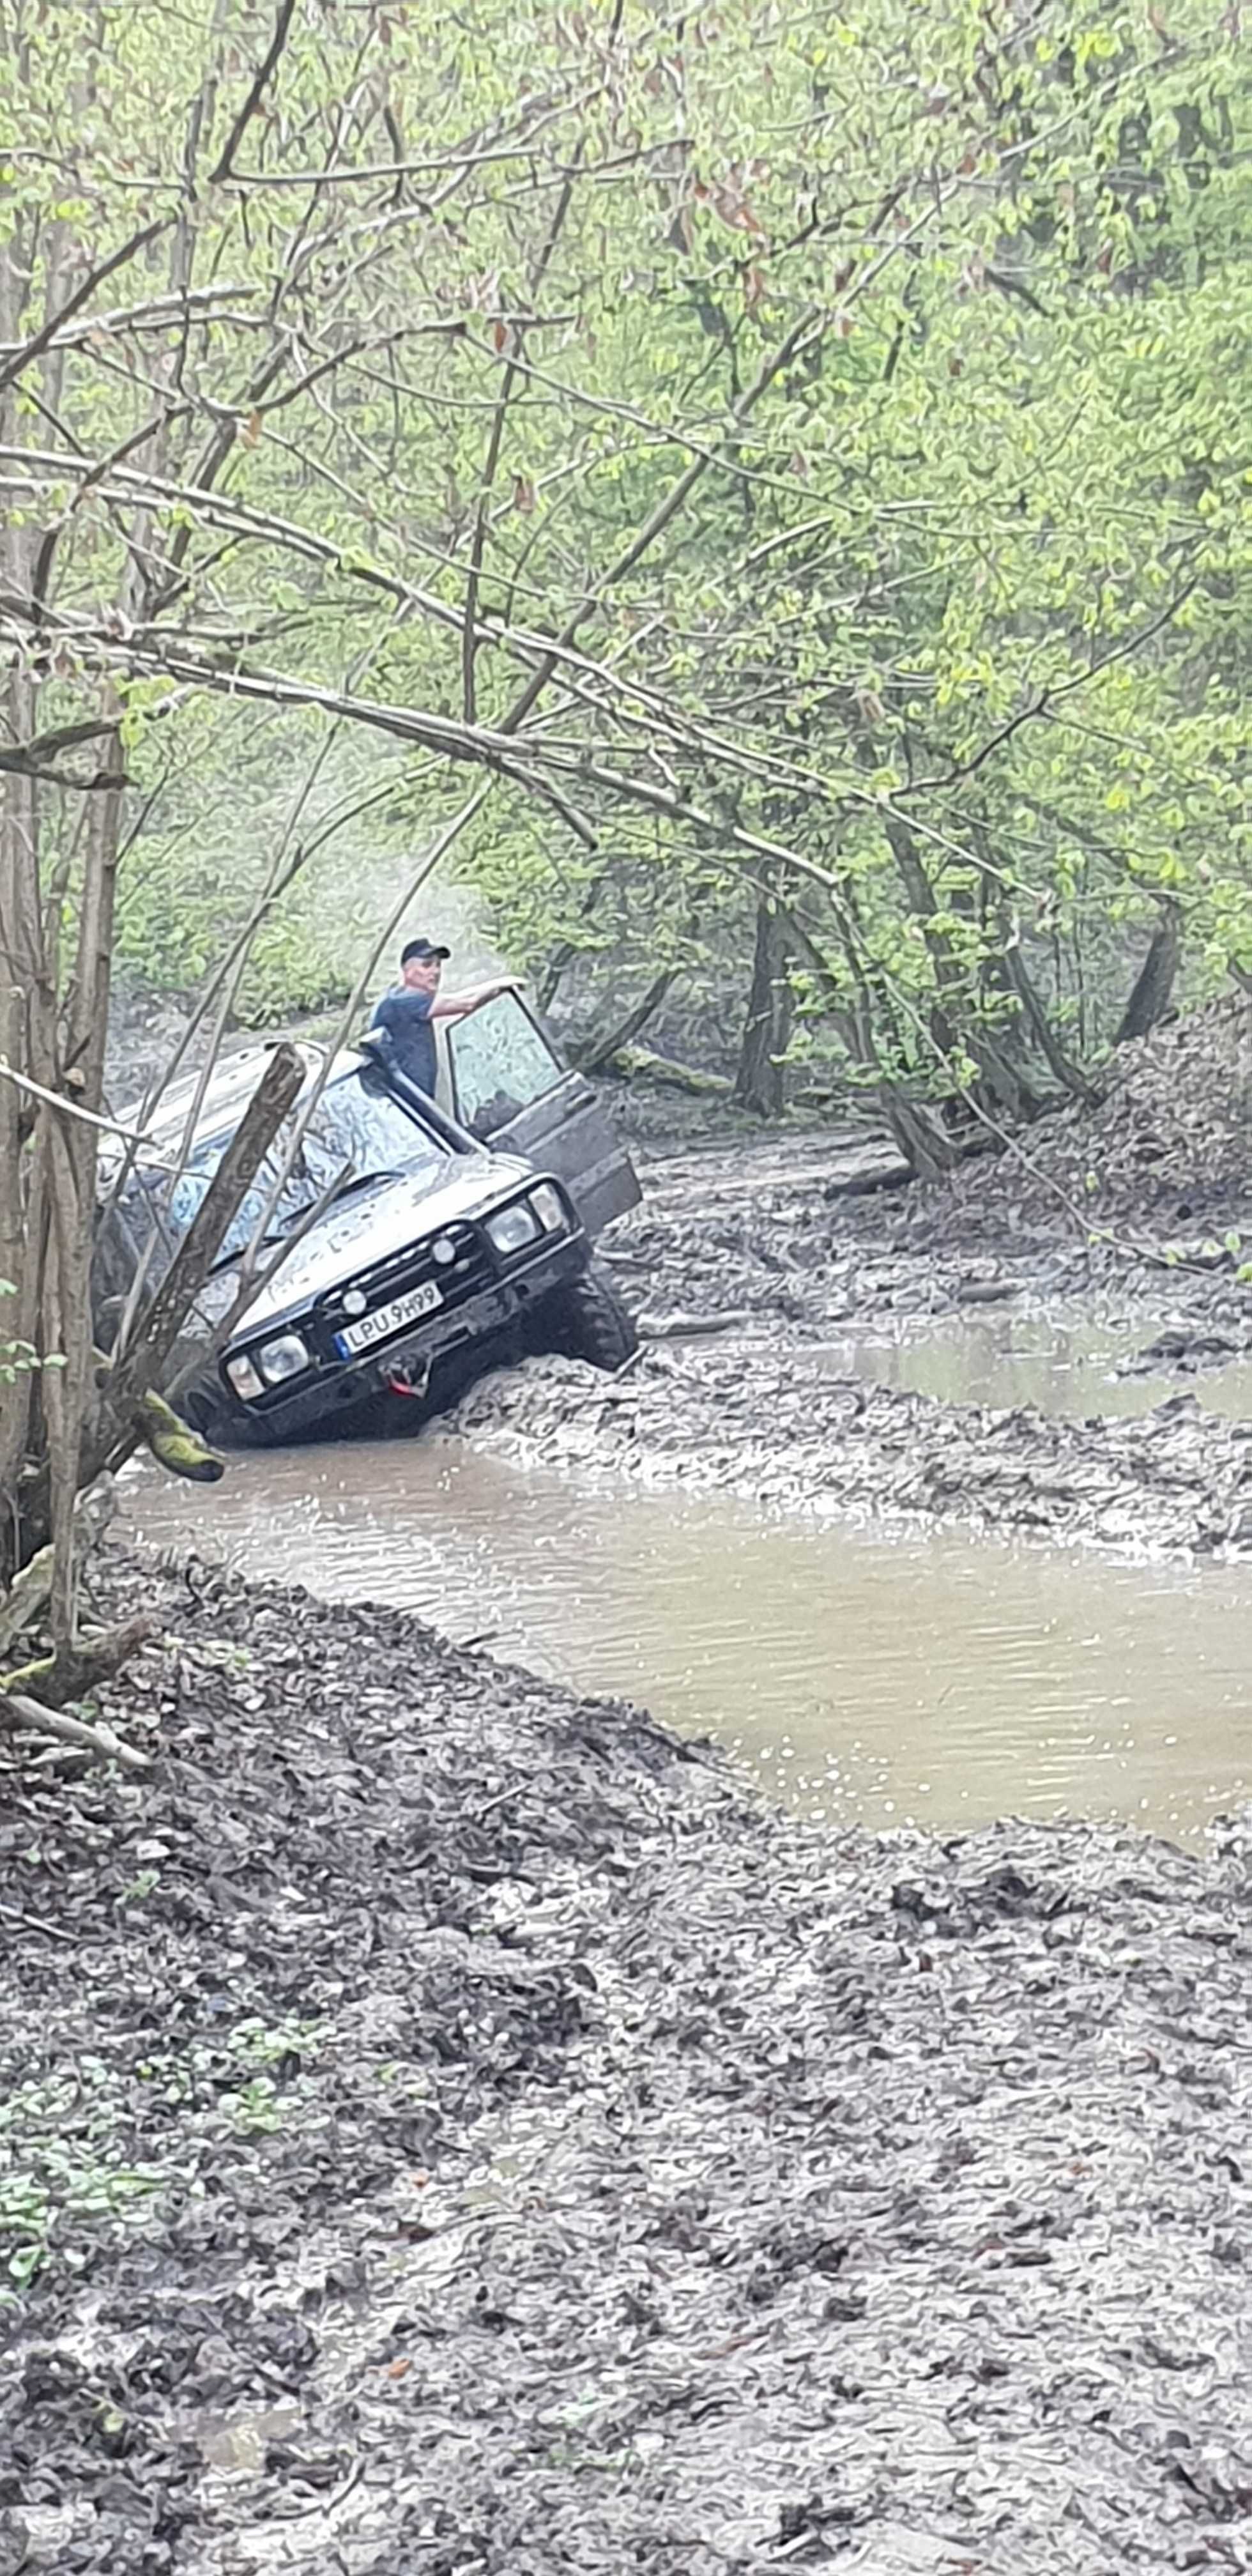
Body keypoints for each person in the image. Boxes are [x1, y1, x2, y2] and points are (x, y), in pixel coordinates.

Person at [368, 937, 517, 1096]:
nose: (436, 972)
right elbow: (467, 1003)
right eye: (427, 965)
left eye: (438, 965)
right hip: (407, 1099)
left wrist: (498, 985)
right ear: (407, 971)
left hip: (414, 1096)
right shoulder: (404, 1002)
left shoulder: (399, 997)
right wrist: (504, 985)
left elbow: (456, 998)